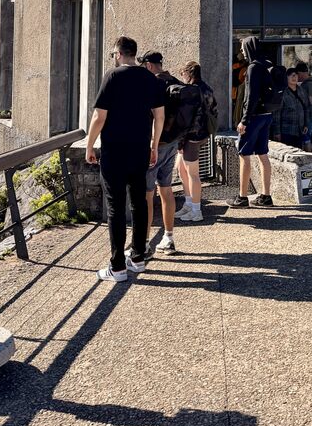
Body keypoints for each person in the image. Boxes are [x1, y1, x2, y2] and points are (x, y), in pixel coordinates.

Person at [85, 35, 165, 282]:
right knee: (139, 203)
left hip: (115, 151)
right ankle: (138, 258)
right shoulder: (149, 78)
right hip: (140, 150)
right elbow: (159, 116)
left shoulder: (113, 76)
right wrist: (154, 145)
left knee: (116, 206)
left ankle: (117, 266)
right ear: (134, 53)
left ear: (118, 54)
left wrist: (90, 145)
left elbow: (99, 117)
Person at [140, 50, 183, 256]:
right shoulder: (174, 81)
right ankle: (169, 237)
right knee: (166, 190)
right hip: (172, 142)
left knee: (147, 195)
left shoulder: (152, 84)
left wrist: (152, 145)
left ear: (148, 65)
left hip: (154, 146)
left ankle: (145, 242)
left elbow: (153, 117)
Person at [228, 36, 274, 208]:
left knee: (244, 155)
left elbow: (251, 96)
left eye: (242, 48)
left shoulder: (254, 67)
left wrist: (244, 120)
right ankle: (266, 196)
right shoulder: (268, 64)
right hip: (267, 115)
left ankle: (242, 197)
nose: (241, 52)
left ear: (249, 48)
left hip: (254, 117)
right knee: (263, 154)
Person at [175, 61, 218, 222]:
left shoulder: (191, 91)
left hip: (192, 137)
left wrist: (180, 143)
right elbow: (214, 109)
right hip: (203, 134)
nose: (182, 77)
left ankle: (196, 209)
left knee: (193, 174)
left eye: (183, 73)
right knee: (181, 168)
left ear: (188, 73)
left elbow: (185, 120)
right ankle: (188, 204)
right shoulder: (207, 88)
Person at [272, 68, 309, 150]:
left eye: (296, 75)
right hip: (286, 131)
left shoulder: (301, 91)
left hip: (300, 130)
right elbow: (277, 114)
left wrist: (306, 124)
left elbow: (306, 108)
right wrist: (277, 132)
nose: (294, 77)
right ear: (286, 77)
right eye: (291, 75)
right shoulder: (283, 93)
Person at [295, 60, 312, 152]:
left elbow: (308, 102)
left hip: (308, 116)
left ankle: (309, 158)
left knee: (306, 138)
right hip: (311, 115)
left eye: (297, 74)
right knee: (306, 137)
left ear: (300, 73)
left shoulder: (308, 85)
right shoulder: (311, 83)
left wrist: (304, 119)